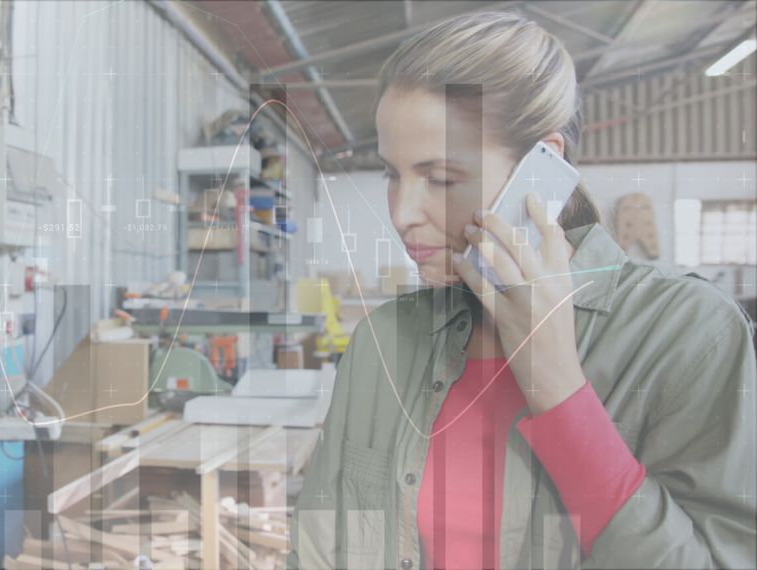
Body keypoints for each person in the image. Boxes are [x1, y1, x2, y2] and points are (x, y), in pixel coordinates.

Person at [288, 11, 756, 570]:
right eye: (392, 174)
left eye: (441, 178)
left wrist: (558, 385)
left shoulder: (689, 334)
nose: (402, 213)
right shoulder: (381, 344)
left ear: (543, 167)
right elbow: (317, 552)